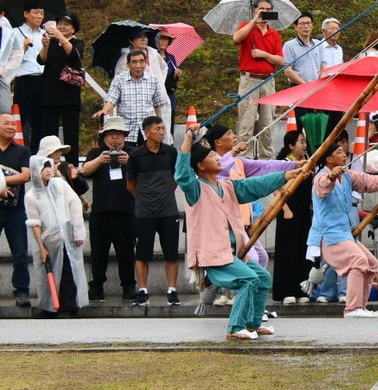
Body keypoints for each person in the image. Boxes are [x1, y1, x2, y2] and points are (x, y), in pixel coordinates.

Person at [176, 126, 297, 340]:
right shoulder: (194, 188)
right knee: (249, 279)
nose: (217, 157)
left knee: (262, 277)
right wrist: (187, 139)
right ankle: (235, 327)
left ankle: (253, 323)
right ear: (201, 166)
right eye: (212, 156)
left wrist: (285, 175)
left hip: (233, 251)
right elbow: (182, 173)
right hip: (214, 253)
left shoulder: (227, 186)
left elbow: (254, 185)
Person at [309, 138, 378, 318]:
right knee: (358, 261)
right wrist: (331, 176)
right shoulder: (320, 176)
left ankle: (360, 306)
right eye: (338, 152)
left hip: (345, 234)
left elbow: (371, 182)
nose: (344, 154)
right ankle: (352, 308)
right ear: (329, 159)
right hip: (329, 235)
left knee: (371, 264)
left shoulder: (347, 176)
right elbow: (323, 186)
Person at [80, 115, 137, 302]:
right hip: (101, 211)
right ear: (104, 136)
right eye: (111, 134)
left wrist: (128, 162)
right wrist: (99, 160)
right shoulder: (96, 153)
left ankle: (129, 286)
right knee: (98, 252)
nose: (115, 138)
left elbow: (144, 173)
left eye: (119, 134)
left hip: (126, 211)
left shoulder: (133, 153)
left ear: (125, 136)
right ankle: (96, 286)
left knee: (127, 252)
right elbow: (84, 171)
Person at [127, 115, 182, 306]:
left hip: (168, 211)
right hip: (144, 212)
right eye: (157, 129)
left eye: (163, 129)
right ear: (146, 131)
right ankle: (143, 290)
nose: (161, 132)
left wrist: (165, 193)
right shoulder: (136, 155)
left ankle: (172, 289)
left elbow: (177, 178)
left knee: (172, 253)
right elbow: (131, 184)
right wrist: (145, 199)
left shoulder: (171, 152)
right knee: (142, 253)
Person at [24, 152, 86, 317]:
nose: (47, 170)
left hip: (65, 238)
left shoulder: (59, 184)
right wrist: (41, 246)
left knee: (67, 273)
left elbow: (74, 204)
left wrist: (78, 230)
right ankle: (48, 307)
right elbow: (34, 223)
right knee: (46, 275)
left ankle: (68, 307)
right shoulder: (31, 196)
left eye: (48, 166)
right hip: (46, 240)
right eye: (43, 167)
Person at [232, 0, 286, 159]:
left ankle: (266, 157)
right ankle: (244, 158)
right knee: (247, 122)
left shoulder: (274, 34)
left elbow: (281, 60)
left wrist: (264, 55)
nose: (264, 12)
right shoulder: (246, 27)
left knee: (267, 122)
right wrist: (254, 21)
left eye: (268, 9)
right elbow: (236, 38)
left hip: (268, 80)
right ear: (254, 10)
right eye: (261, 9)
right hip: (250, 80)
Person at [270, 130, 314, 305]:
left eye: (304, 142)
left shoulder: (307, 162)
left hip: (305, 212)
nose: (304, 145)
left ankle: (301, 288)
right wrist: (286, 209)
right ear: (290, 146)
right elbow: (276, 187)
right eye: (301, 142)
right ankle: (286, 289)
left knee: (304, 249)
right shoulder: (284, 163)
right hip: (288, 212)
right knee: (288, 250)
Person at [95, 49, 169, 144]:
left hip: (148, 131)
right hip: (127, 130)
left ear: (145, 63)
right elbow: (111, 100)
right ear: (128, 64)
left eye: (141, 61)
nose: (138, 66)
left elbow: (157, 106)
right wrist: (105, 110)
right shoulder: (119, 80)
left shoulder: (153, 80)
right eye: (134, 62)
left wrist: (160, 126)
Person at [35, 12, 84, 156]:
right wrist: (45, 46)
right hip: (50, 92)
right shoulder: (52, 42)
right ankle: (47, 164)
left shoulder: (77, 43)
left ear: (74, 28)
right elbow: (41, 60)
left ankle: (71, 167)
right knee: (48, 134)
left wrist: (60, 37)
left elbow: (74, 55)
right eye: (59, 24)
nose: (62, 26)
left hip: (69, 94)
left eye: (66, 24)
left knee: (71, 134)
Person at [0, 112, 32, 308]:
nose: (12, 127)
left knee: (20, 252)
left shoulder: (22, 151)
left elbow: (25, 176)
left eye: (14, 124)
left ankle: (21, 291)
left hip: (15, 210)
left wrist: (1, 182)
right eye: (7, 124)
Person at [11, 2, 46, 147]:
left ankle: (36, 154)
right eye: (36, 12)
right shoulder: (15, 33)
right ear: (26, 14)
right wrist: (22, 48)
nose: (39, 16)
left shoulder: (45, 33)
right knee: (21, 119)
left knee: (40, 121)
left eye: (42, 13)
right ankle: (19, 153)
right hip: (24, 80)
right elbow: (8, 59)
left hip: (43, 80)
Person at [281, 12, 324, 86]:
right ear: (296, 27)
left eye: (308, 23)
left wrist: (319, 84)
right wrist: (306, 85)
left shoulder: (318, 44)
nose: (306, 26)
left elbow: (323, 66)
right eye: (302, 24)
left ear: (312, 25)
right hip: (298, 86)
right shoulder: (289, 45)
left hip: (316, 86)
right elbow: (288, 71)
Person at [155, 29, 182, 123]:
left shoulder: (171, 57)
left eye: (166, 39)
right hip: (156, 96)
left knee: (169, 126)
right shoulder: (152, 56)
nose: (163, 42)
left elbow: (174, 81)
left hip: (169, 96)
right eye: (160, 39)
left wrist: (176, 75)